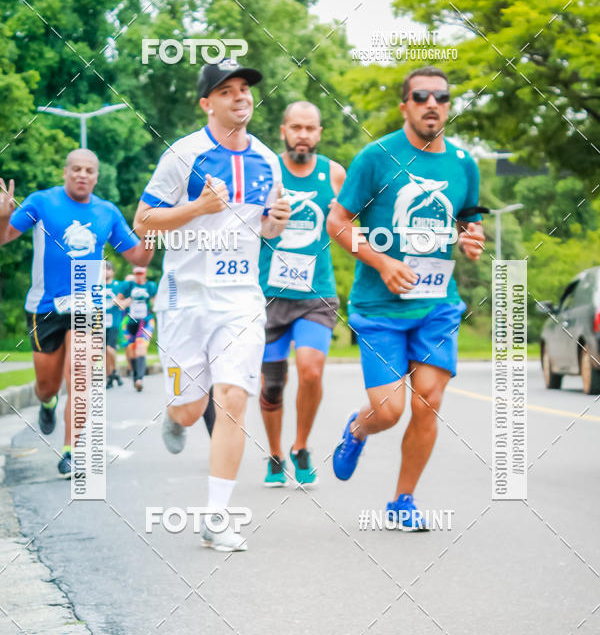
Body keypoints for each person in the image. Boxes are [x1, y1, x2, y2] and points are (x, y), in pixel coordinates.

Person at [134, 59, 291, 552]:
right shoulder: (183, 154)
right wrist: (198, 208)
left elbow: (266, 225)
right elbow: (143, 222)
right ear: (207, 103)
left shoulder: (268, 159)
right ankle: (174, 413)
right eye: (227, 90)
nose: (240, 96)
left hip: (240, 298)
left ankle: (217, 516)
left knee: (234, 398)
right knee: (189, 407)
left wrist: (276, 223)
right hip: (183, 300)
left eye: (244, 88)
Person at [326, 67, 485, 529]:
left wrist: (471, 239)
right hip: (379, 307)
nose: (432, 103)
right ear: (405, 106)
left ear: (449, 106)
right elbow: (337, 222)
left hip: (437, 304)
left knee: (428, 400)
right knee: (390, 411)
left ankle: (402, 501)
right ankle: (357, 429)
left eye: (441, 97)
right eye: (421, 96)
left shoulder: (462, 162)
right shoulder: (375, 158)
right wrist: (382, 262)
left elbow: (466, 222)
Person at [0, 151, 152, 478]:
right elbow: (4, 237)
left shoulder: (106, 212)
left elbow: (139, 257)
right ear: (66, 171)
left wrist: (155, 230)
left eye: (89, 171)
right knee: (47, 385)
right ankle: (47, 403)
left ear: (97, 176)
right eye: (76, 169)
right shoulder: (42, 202)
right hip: (45, 307)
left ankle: (71, 452)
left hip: (87, 304)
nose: (82, 175)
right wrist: (2, 216)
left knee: (81, 375)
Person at [258, 101, 345, 487]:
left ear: (319, 133)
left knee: (311, 369)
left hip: (316, 294)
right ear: (283, 131)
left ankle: (301, 445)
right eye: (296, 128)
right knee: (272, 384)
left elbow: (348, 223)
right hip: (270, 295)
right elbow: (248, 224)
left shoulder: (334, 173)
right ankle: (275, 452)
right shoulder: (266, 170)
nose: (303, 136)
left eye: (311, 129)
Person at [117, 265, 157, 392]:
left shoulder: (150, 286)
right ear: (134, 273)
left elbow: (156, 303)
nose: (139, 275)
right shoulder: (128, 286)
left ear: (145, 273)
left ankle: (139, 379)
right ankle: (135, 376)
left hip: (145, 321)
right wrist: (126, 302)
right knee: (131, 350)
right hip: (130, 321)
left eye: (141, 273)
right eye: (137, 273)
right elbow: (118, 303)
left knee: (141, 346)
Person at [105, 260, 125, 389]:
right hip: (99, 322)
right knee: (103, 352)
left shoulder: (118, 285)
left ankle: (115, 370)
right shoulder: (96, 286)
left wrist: (114, 299)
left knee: (109, 349)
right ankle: (111, 376)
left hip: (113, 322)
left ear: (112, 271)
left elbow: (122, 305)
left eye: (107, 269)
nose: (104, 271)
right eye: (102, 269)